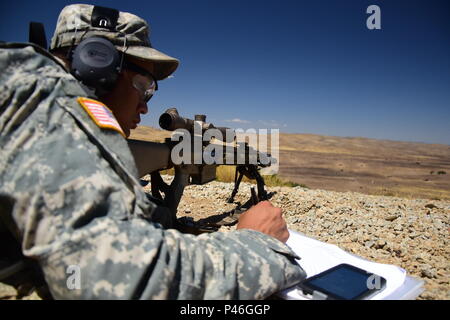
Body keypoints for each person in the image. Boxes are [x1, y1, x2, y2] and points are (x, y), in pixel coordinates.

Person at [0, 4, 305, 299]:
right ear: (98, 63)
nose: (146, 105)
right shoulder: (46, 101)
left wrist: (155, 215)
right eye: (144, 84)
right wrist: (256, 244)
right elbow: (112, 282)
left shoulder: (25, 92)